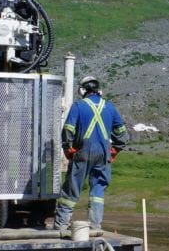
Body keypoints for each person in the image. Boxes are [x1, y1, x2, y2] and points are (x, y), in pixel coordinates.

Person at [54, 75, 127, 231]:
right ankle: (95, 225)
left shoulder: (78, 106)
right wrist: (115, 150)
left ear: (82, 90)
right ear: (99, 90)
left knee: (71, 189)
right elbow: (122, 134)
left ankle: (61, 225)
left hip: (82, 152)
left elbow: (68, 131)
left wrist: (68, 149)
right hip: (103, 154)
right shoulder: (110, 107)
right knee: (98, 190)